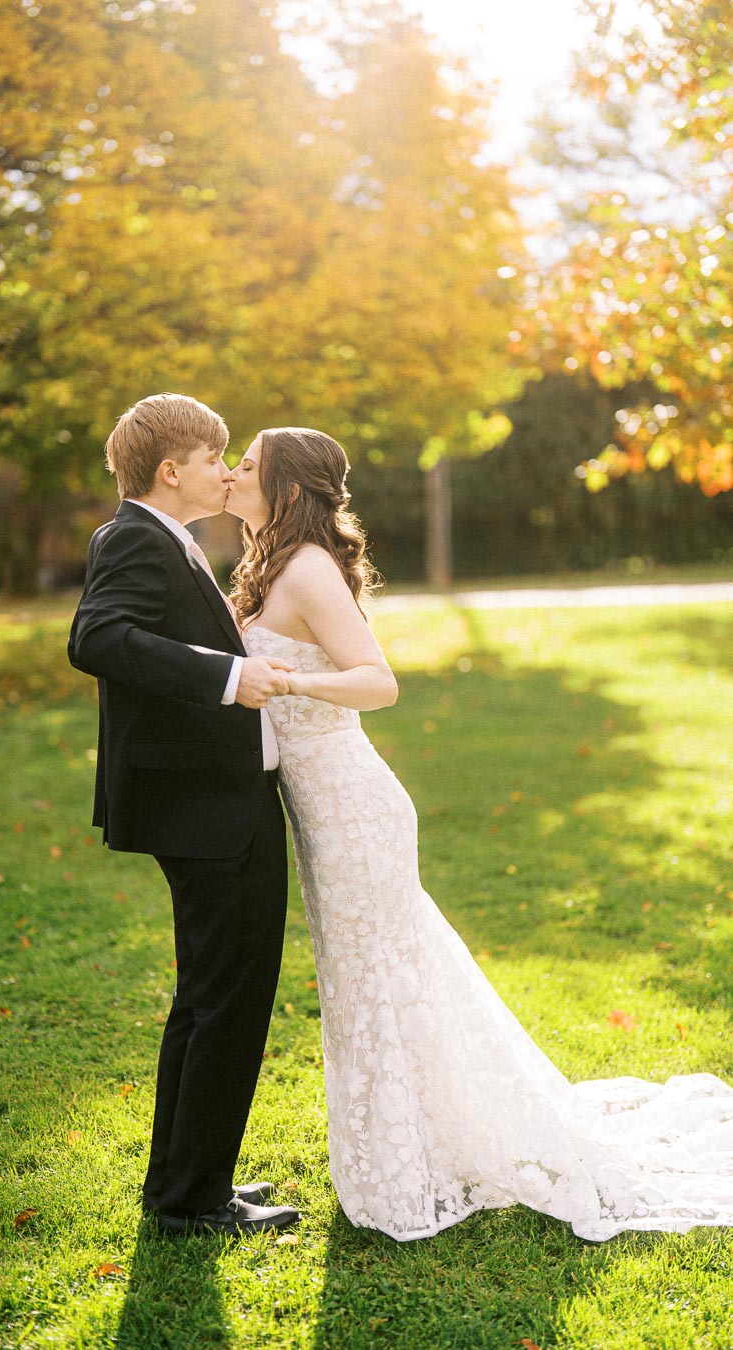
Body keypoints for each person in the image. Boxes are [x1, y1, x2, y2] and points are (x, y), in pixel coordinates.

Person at [225, 425, 733, 1242]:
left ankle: (412, 1162)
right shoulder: (269, 569)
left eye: (246, 465)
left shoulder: (310, 569)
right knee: (380, 981)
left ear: (284, 486)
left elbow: (380, 682)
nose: (232, 473)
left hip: (355, 810)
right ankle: (421, 1141)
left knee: (379, 986)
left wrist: (278, 678)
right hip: (321, 815)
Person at [68, 394, 300, 1237]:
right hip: (205, 805)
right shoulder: (135, 535)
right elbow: (96, 638)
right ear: (172, 470)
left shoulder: (170, 539)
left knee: (210, 998)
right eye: (215, 458)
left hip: (211, 798)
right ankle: (192, 1198)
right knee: (225, 999)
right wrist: (228, 675)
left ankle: (187, 1187)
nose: (226, 470)